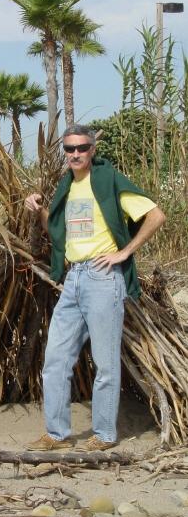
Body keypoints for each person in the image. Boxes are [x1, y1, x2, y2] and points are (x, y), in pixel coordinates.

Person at [25, 125, 166, 451]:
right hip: (73, 279)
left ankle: (103, 436)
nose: (76, 154)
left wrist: (125, 252)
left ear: (92, 150)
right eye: (70, 149)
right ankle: (56, 434)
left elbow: (156, 216)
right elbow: (59, 232)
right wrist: (39, 209)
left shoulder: (109, 180)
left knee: (105, 363)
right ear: (65, 152)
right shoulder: (67, 187)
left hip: (104, 279)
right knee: (56, 360)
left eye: (82, 148)